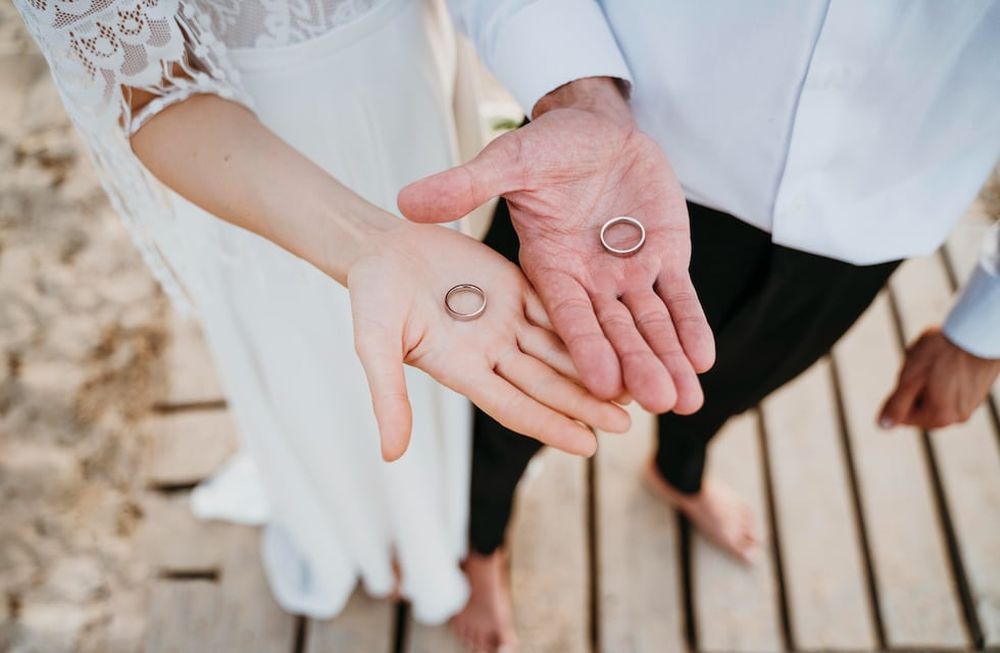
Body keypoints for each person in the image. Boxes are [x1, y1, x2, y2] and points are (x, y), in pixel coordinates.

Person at [399, 1, 1000, 648]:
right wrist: (576, 92)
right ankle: (481, 543)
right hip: (615, 164)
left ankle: (678, 472)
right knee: (511, 400)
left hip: (864, 223)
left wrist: (987, 325)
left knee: (727, 386)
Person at [11, 0, 630, 625]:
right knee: (325, 361)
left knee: (455, 353)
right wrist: (369, 244)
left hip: (410, 83)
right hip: (258, 169)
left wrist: (580, 99)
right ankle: (373, 532)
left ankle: (457, 532)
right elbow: (149, 90)